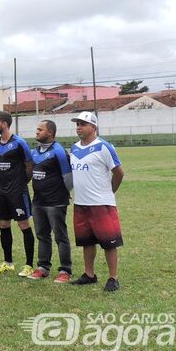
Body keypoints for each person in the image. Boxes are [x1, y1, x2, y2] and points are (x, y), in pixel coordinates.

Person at [69, 111, 125, 292]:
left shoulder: (104, 147)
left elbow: (118, 172)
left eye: (83, 124)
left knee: (109, 242)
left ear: (93, 127)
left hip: (101, 204)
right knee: (86, 241)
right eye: (77, 124)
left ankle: (113, 278)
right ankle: (89, 274)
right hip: (81, 203)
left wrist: (110, 191)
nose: (79, 127)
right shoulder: (74, 148)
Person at [0, 111, 35, 277]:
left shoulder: (19, 143)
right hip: (1, 191)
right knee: (3, 225)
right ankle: (8, 263)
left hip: (18, 191)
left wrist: (22, 183)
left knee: (24, 225)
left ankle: (29, 265)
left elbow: (29, 164)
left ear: (4, 124)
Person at [27, 120, 73, 283]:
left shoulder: (59, 151)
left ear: (51, 133)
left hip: (56, 202)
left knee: (60, 236)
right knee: (42, 235)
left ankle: (65, 270)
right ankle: (43, 267)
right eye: (37, 129)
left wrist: (66, 193)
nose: (37, 132)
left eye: (40, 129)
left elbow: (68, 176)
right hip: (38, 201)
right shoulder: (35, 151)